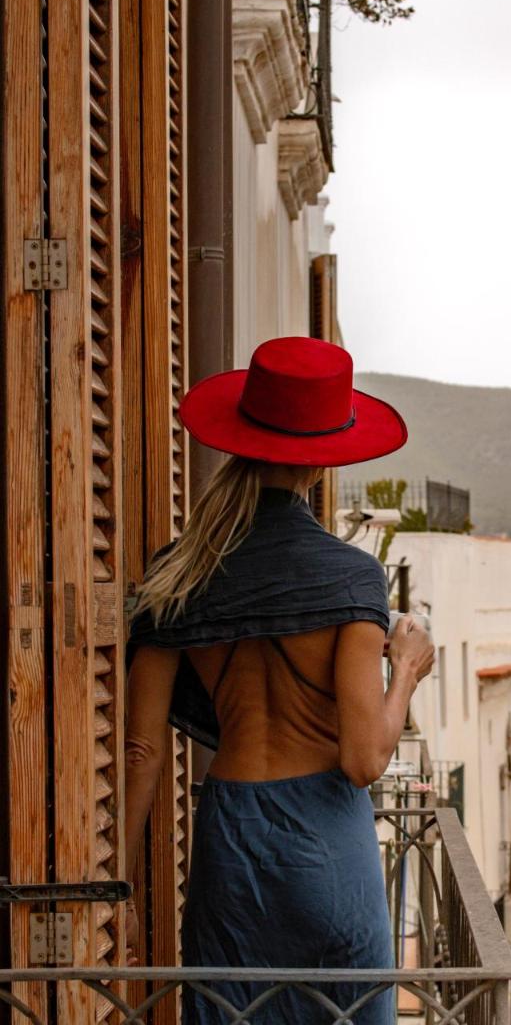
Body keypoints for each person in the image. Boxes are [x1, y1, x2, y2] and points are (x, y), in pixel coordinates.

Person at [124, 337, 435, 1024]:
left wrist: (116, 891)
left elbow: (142, 753)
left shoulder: (177, 573)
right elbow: (363, 759)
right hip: (328, 845)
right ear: (324, 458)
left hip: (230, 841)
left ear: (241, 438)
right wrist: (406, 667)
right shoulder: (350, 576)